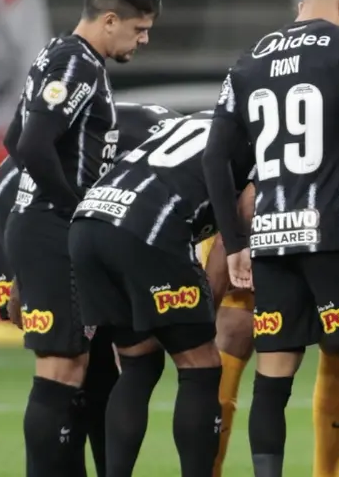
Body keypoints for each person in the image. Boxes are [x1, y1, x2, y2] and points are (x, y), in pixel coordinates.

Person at [202, 0, 339, 477]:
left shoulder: (248, 61)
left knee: (273, 374)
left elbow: (214, 159)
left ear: (301, 5)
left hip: (270, 239)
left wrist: (236, 242)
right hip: (333, 233)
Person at [2, 0, 159, 477]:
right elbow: (31, 146)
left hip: (41, 225)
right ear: (109, 20)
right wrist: (76, 210)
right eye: (138, 29)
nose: (144, 39)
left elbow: (13, 139)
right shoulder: (76, 62)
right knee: (61, 368)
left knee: (81, 366)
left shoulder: (59, 54)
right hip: (53, 229)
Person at [0, 101, 192, 476]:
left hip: (53, 197)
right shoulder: (186, 164)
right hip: (43, 199)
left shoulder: (177, 144)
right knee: (70, 363)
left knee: (99, 361)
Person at [69, 108, 250, 477]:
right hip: (147, 228)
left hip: (89, 222)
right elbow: (233, 230)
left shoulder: (196, 120)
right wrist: (201, 316)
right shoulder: (262, 138)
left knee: (138, 363)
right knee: (201, 366)